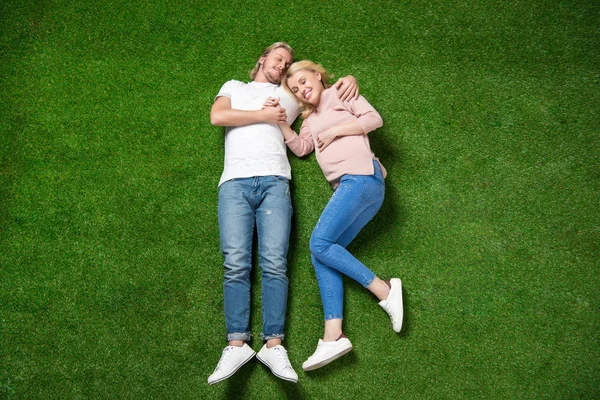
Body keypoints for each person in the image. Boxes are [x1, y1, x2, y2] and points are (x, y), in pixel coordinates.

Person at [208, 43, 359, 385]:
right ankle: (237, 344)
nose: (283, 65)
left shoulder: (288, 95)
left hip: (276, 181)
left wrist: (346, 79)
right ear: (262, 58)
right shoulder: (235, 87)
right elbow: (218, 116)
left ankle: (273, 344)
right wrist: (263, 116)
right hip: (233, 182)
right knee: (235, 262)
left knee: (275, 263)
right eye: (279, 58)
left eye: (288, 63)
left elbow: (321, 93)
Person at [268, 60, 404, 371]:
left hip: (361, 177)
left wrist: (337, 130)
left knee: (318, 243)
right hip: (354, 188)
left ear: (318, 75)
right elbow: (303, 148)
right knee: (323, 253)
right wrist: (281, 123)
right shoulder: (310, 119)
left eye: (305, 80)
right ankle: (334, 335)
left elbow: (373, 119)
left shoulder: (342, 90)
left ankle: (385, 289)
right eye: (296, 88)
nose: (303, 88)